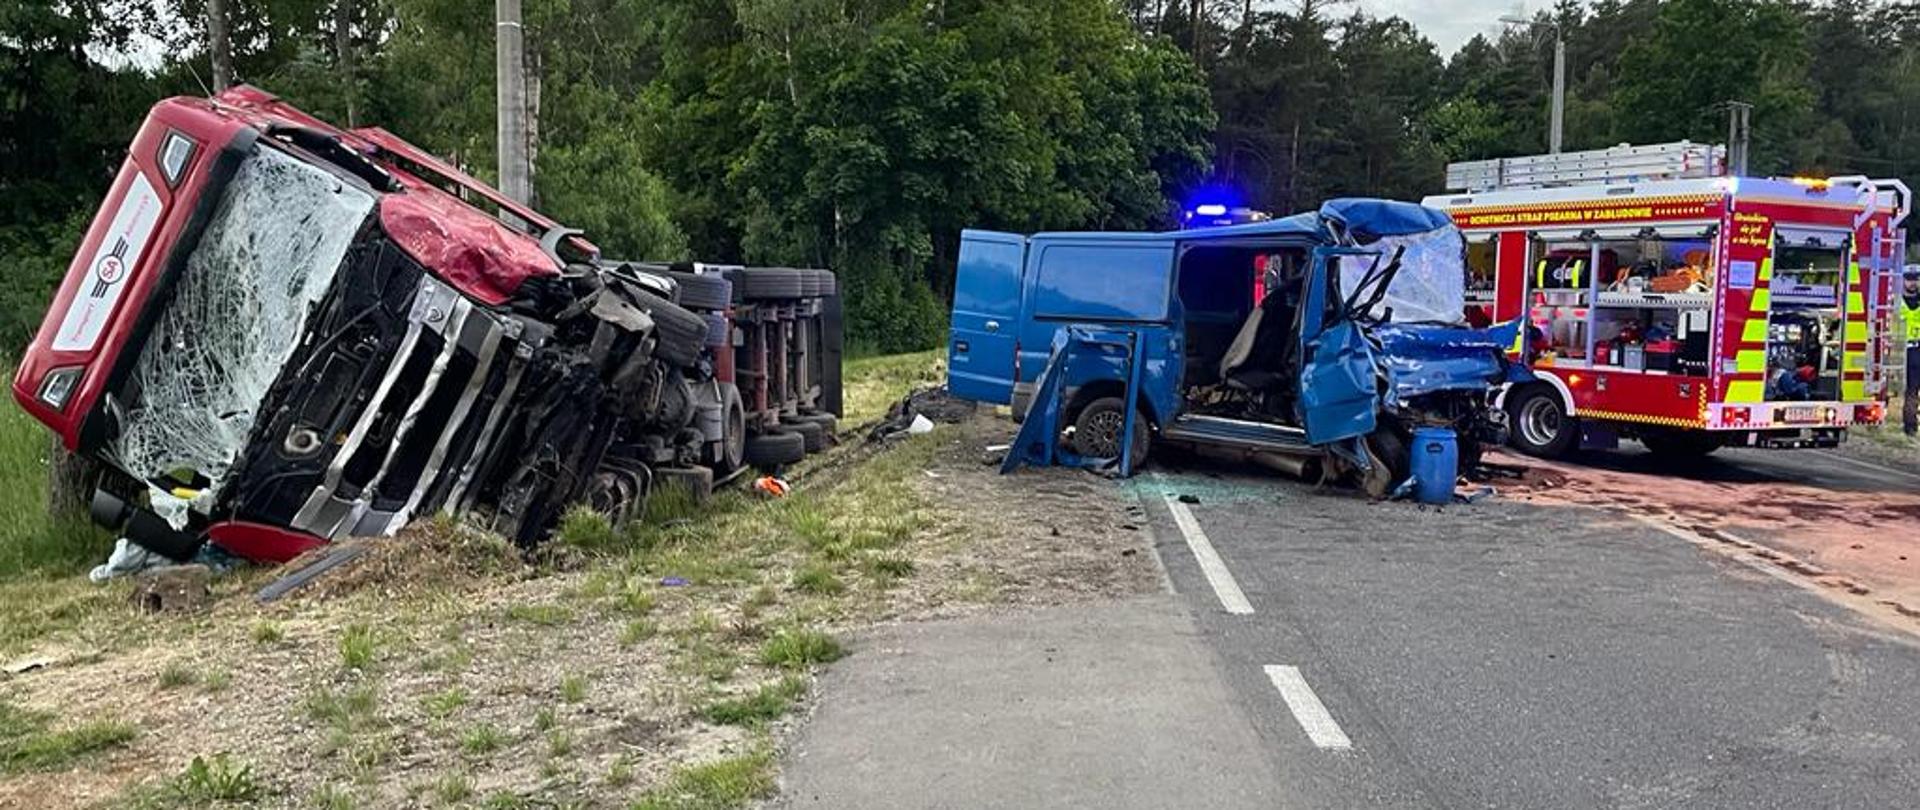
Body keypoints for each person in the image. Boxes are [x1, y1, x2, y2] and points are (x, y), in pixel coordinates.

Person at [1901, 265, 1920, 437]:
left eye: (1916, 279)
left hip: (1918, 349)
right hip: (1901, 350)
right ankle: (1909, 425)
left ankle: (1911, 425)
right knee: (1909, 389)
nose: (1913, 282)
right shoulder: (1895, 301)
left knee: (1913, 389)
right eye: (1909, 279)